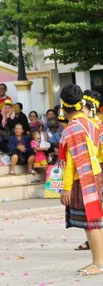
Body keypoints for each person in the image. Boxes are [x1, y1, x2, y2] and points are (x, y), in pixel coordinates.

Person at [59, 84, 103, 276]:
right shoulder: (93, 123)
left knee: (90, 223)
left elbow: (71, 162)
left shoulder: (71, 129)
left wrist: (66, 188)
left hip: (81, 179)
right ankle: (98, 260)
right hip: (95, 173)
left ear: (63, 106)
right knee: (94, 221)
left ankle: (99, 264)